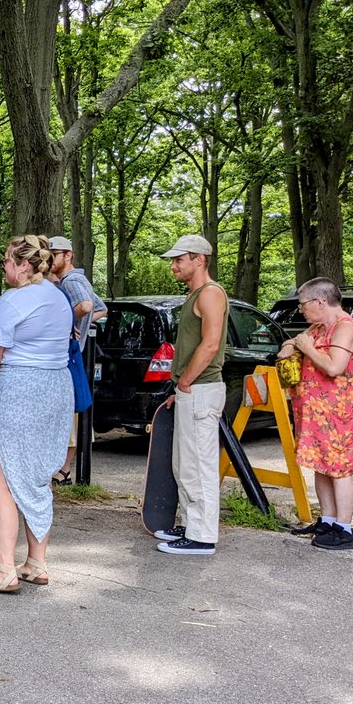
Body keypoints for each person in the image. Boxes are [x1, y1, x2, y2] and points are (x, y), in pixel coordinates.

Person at [0, 235, 73, 592]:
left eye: (7, 261)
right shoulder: (59, 298)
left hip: (22, 391)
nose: (4, 266)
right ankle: (36, 562)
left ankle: (3, 569)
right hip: (57, 389)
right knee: (36, 474)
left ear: (23, 265)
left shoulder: (11, 302)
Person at [153, 234, 230, 556]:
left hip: (200, 389)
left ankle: (202, 536)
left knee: (199, 464)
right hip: (190, 390)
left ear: (199, 259)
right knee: (185, 464)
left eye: (178, 260)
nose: (174, 266)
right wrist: (179, 388)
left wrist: (185, 382)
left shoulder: (211, 294)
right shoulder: (196, 295)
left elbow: (210, 345)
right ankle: (191, 525)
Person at [278, 278, 353, 551]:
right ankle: (327, 520)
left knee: (339, 470)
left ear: (320, 302)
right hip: (316, 413)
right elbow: (287, 346)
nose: (301, 310)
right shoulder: (317, 328)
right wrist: (292, 346)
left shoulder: (345, 328)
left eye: (303, 304)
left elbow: (335, 367)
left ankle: (344, 529)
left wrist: (305, 348)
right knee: (322, 466)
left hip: (340, 413)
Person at [47, 236, 107, 484]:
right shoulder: (69, 280)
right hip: (72, 354)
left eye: (54, 254)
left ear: (68, 255)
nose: (50, 259)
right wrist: (80, 323)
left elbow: (85, 305)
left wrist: (68, 321)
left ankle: (64, 470)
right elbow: (101, 308)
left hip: (70, 357)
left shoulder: (72, 280)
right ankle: (63, 468)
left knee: (69, 411)